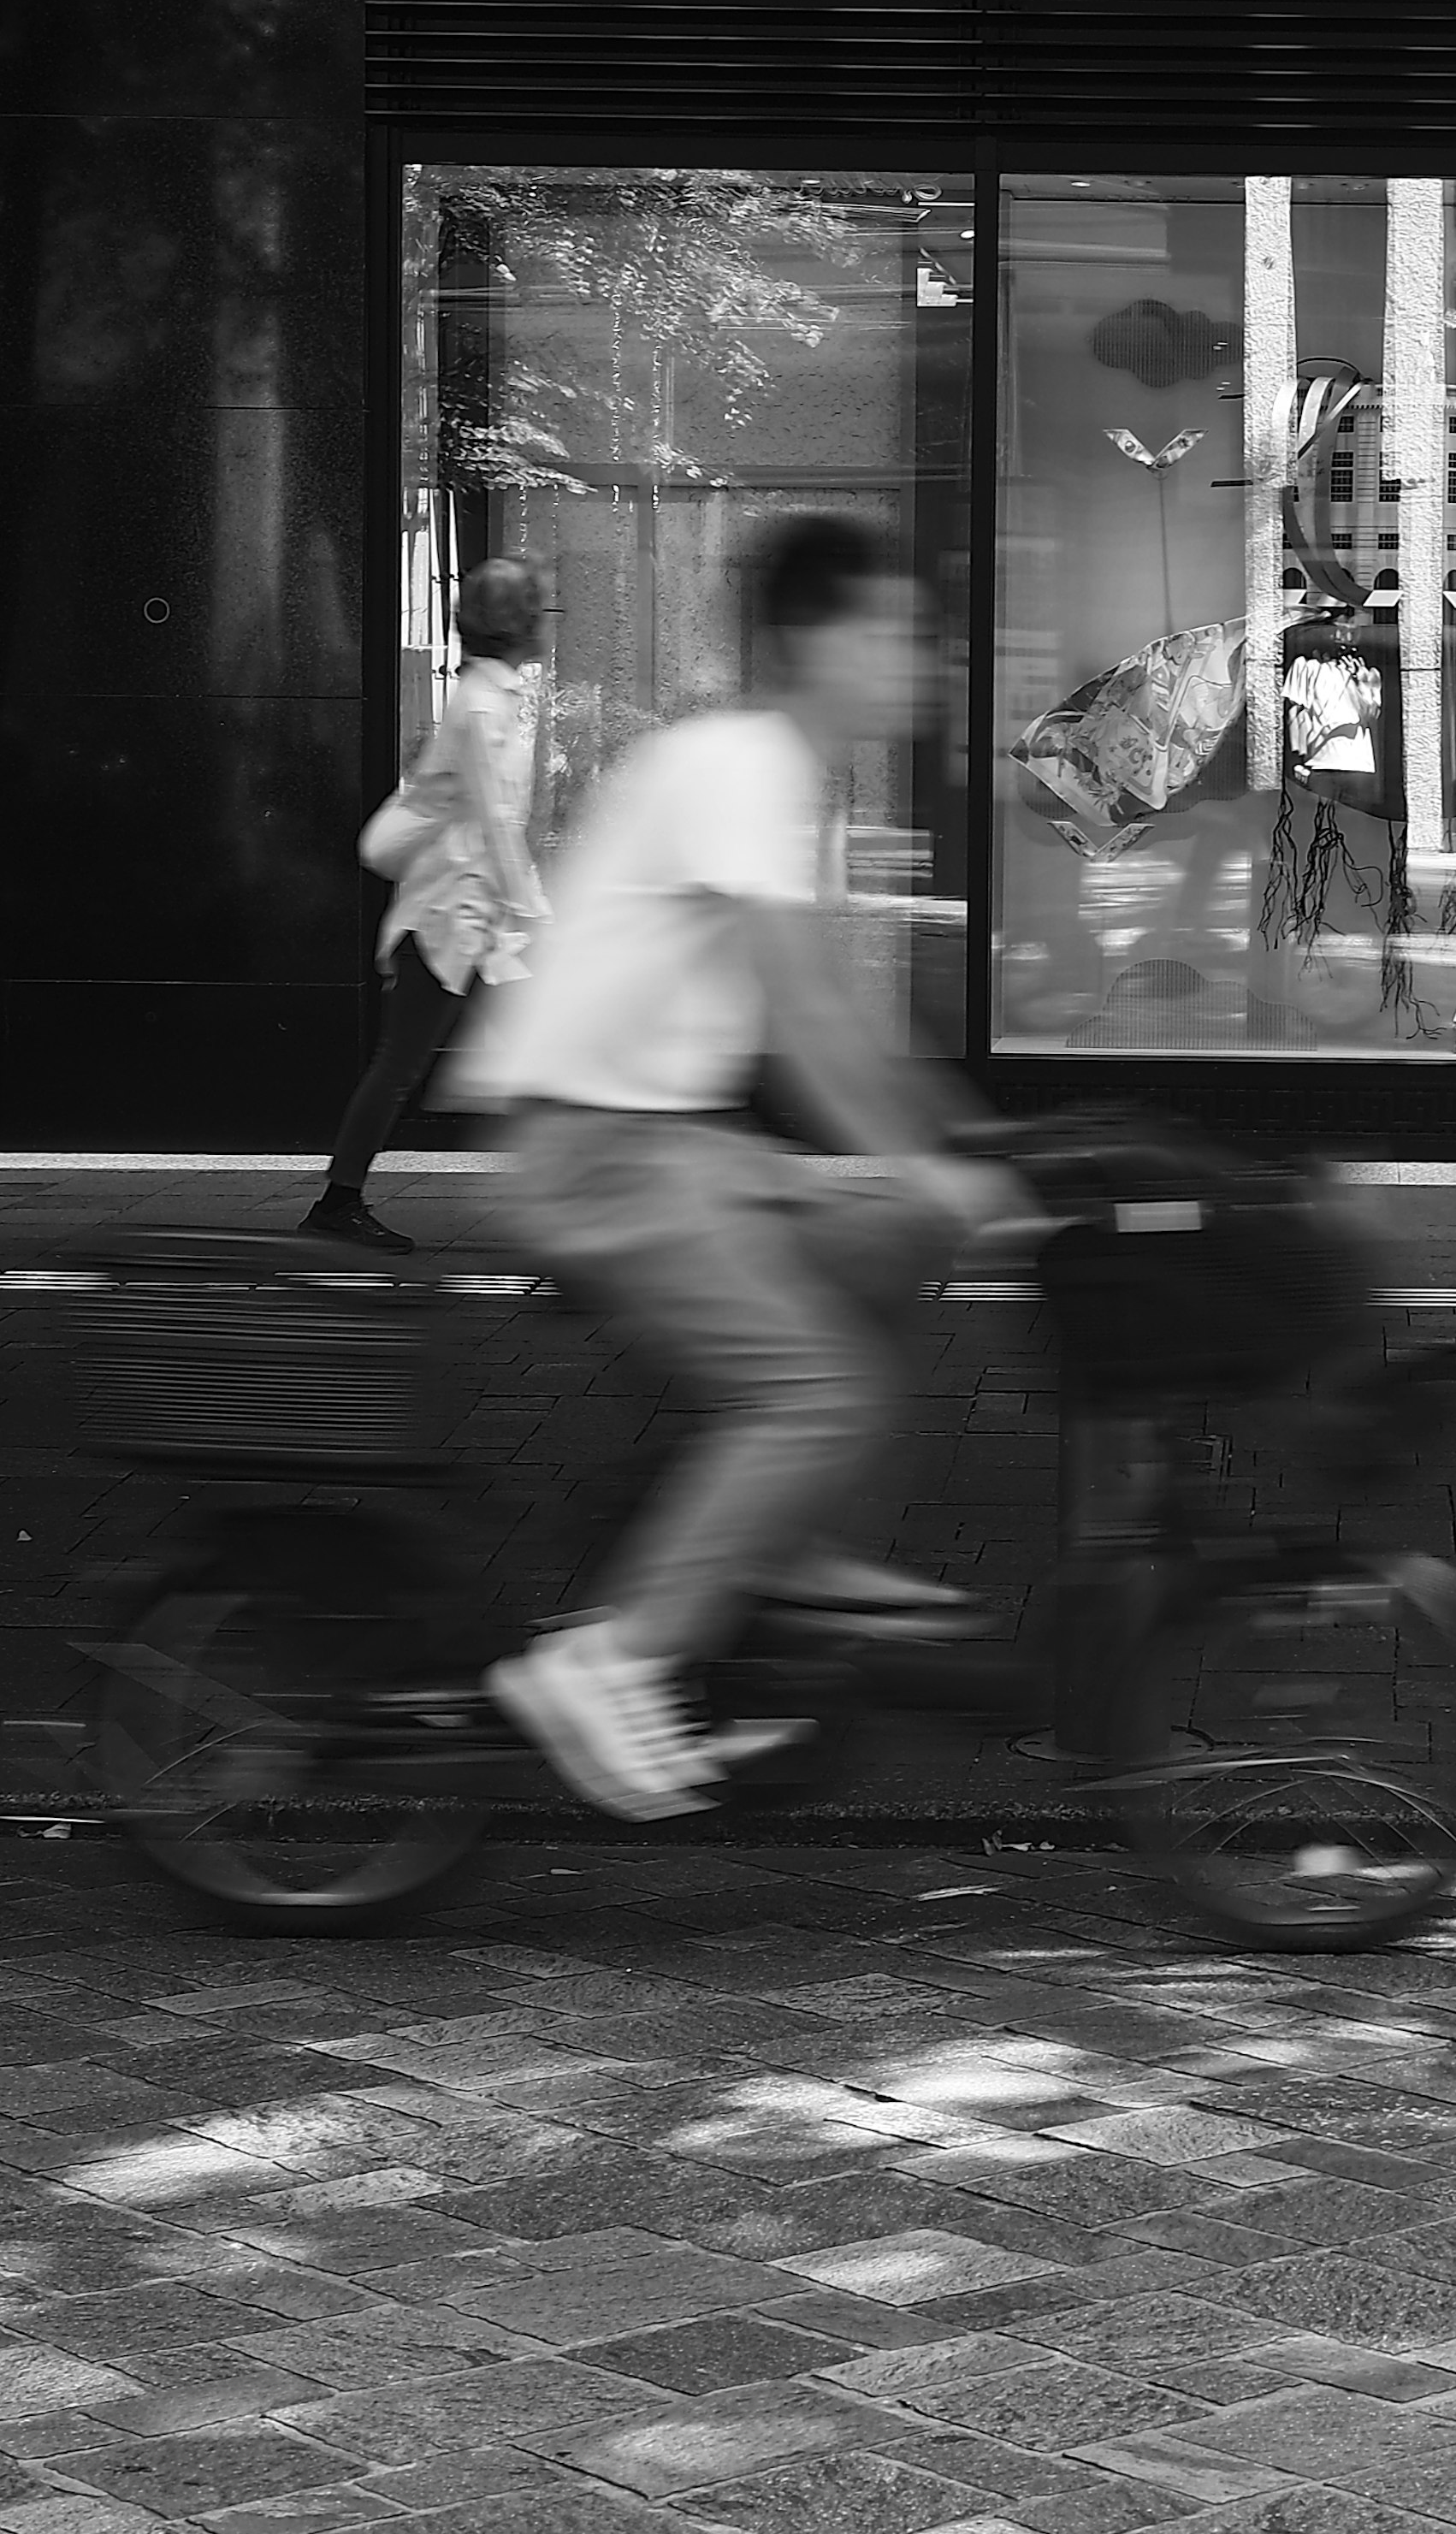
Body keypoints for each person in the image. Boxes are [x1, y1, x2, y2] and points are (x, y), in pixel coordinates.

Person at [458, 515, 1021, 1821]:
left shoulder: (771, 773)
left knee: (885, 1238)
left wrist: (945, 1162)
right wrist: (929, 1159)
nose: (919, 656)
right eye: (888, 630)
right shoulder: (742, 765)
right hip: (596, 1154)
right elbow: (808, 1020)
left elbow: (833, 1017)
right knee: (810, 1396)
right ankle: (614, 1660)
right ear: (805, 644)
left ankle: (785, 1555)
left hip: (670, 1144)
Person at [302, 559, 550, 1253]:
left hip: (476, 918)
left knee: (542, 1057)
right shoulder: (480, 703)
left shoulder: (493, 696)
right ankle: (338, 1202)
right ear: (514, 622)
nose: (540, 619)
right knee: (402, 1065)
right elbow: (498, 821)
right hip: (451, 918)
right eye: (532, 607)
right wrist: (537, 911)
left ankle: (575, 1224)